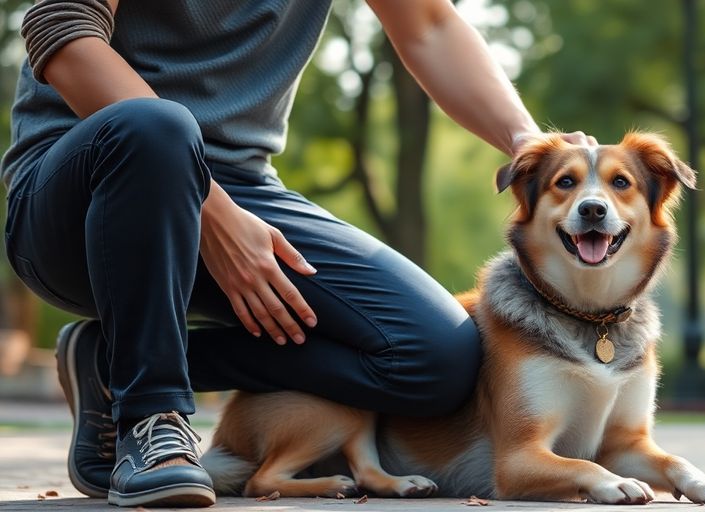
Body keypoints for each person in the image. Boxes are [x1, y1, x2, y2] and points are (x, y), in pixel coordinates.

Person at [2, 0, 595, 507]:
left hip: (244, 187)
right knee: (158, 128)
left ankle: (109, 364)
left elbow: (430, 26)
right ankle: (150, 417)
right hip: (86, 189)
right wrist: (216, 216)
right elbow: (61, 28)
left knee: (436, 360)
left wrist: (525, 140)